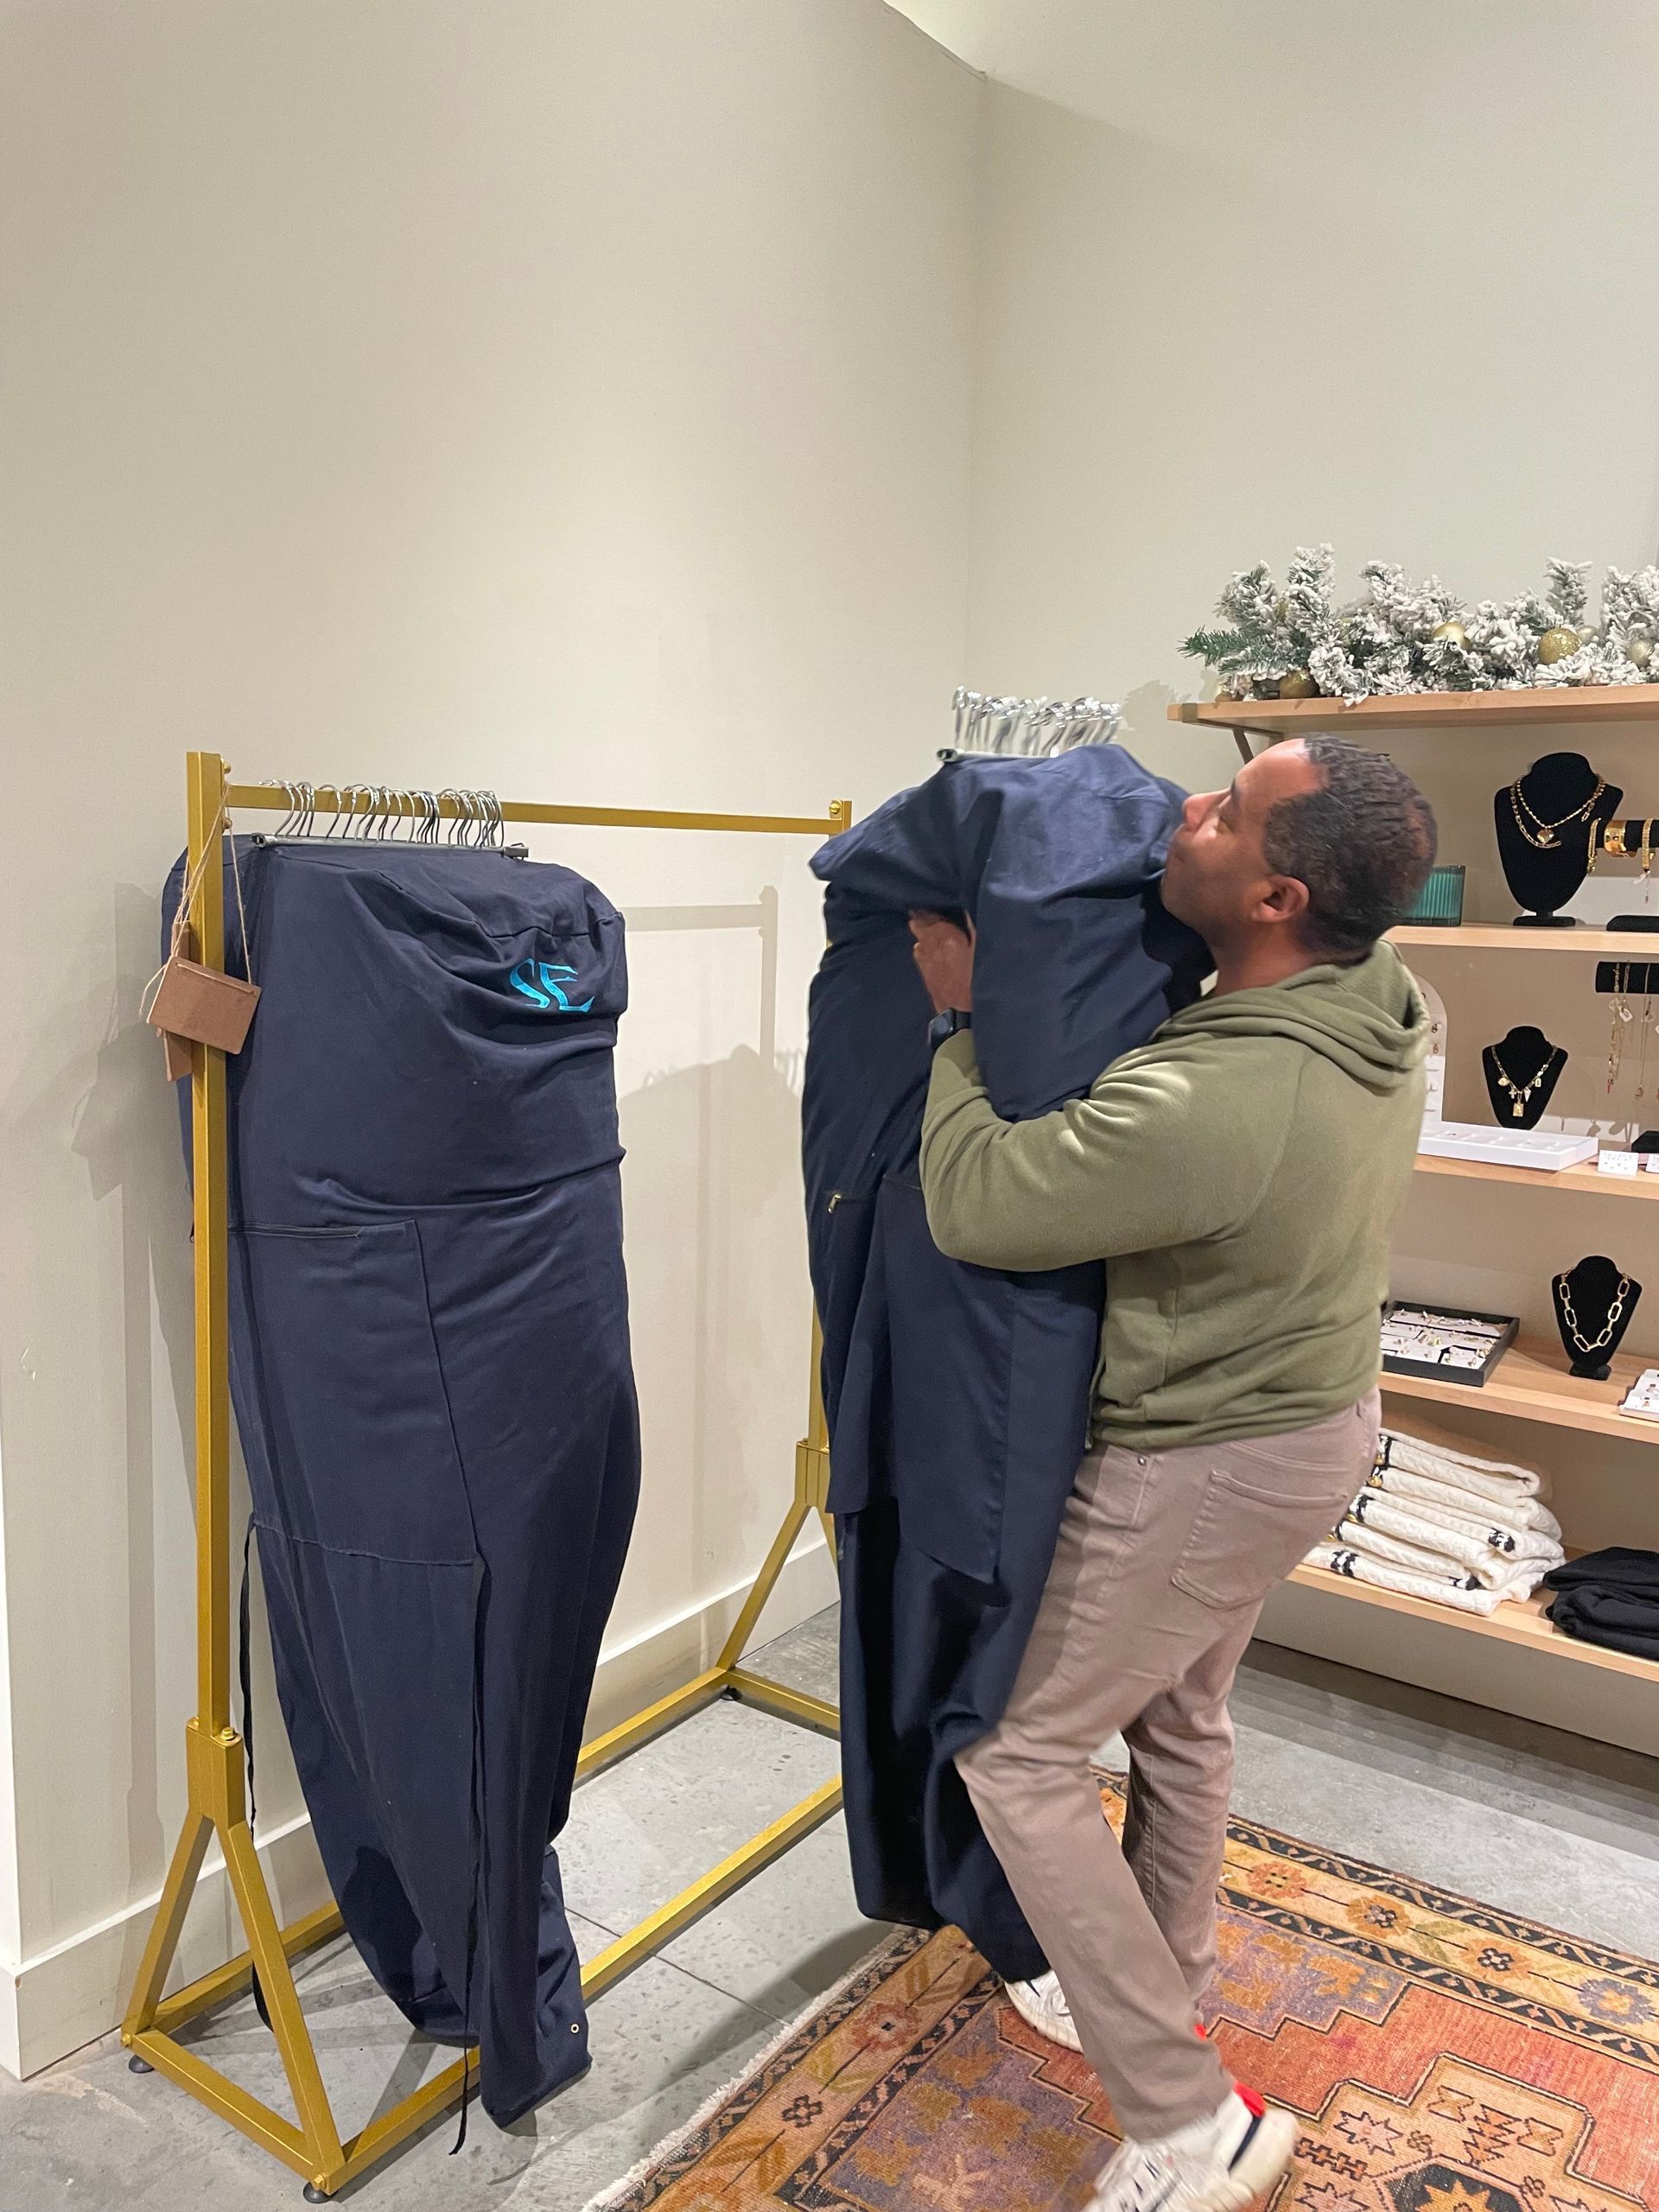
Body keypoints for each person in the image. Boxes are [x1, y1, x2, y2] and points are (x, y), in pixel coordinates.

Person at [907, 734, 1435, 2212]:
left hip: (1207, 1464)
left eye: (1223, 809)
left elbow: (982, 1201)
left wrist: (960, 1026)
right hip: (1314, 1428)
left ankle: (1185, 2119)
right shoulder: (1379, 995)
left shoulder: (1222, 1099)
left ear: (1274, 894)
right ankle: (1157, 1974)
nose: (1183, 813)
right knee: (1183, 1716)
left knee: (1015, 1758)